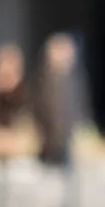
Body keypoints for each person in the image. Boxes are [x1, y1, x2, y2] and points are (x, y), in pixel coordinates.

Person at [33, 31, 86, 170]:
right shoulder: (44, 81)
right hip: (47, 143)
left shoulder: (74, 81)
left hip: (68, 142)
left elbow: (79, 107)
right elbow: (41, 110)